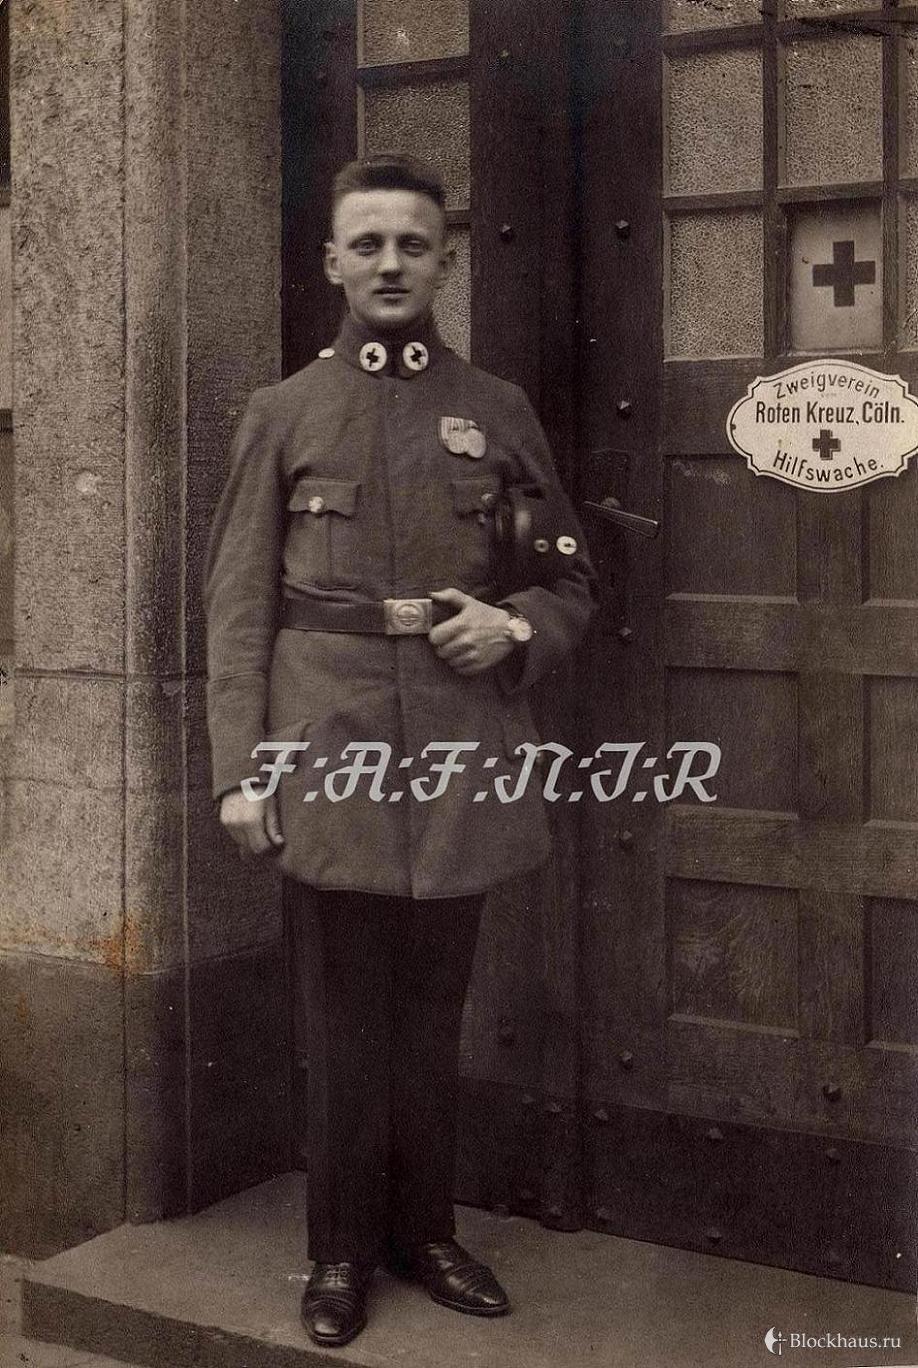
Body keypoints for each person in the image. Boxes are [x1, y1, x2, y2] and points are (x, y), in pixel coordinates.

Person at [204, 152, 597, 1348]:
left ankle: (426, 1234)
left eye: (412, 245)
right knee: (340, 1026)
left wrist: (513, 626)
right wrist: (241, 772)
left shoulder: (498, 409)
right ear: (332, 261)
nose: (389, 264)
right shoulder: (284, 413)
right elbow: (236, 611)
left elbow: (570, 579)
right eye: (367, 243)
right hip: (327, 747)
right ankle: (337, 1254)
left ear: (444, 261)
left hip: (460, 747)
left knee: (435, 1015)